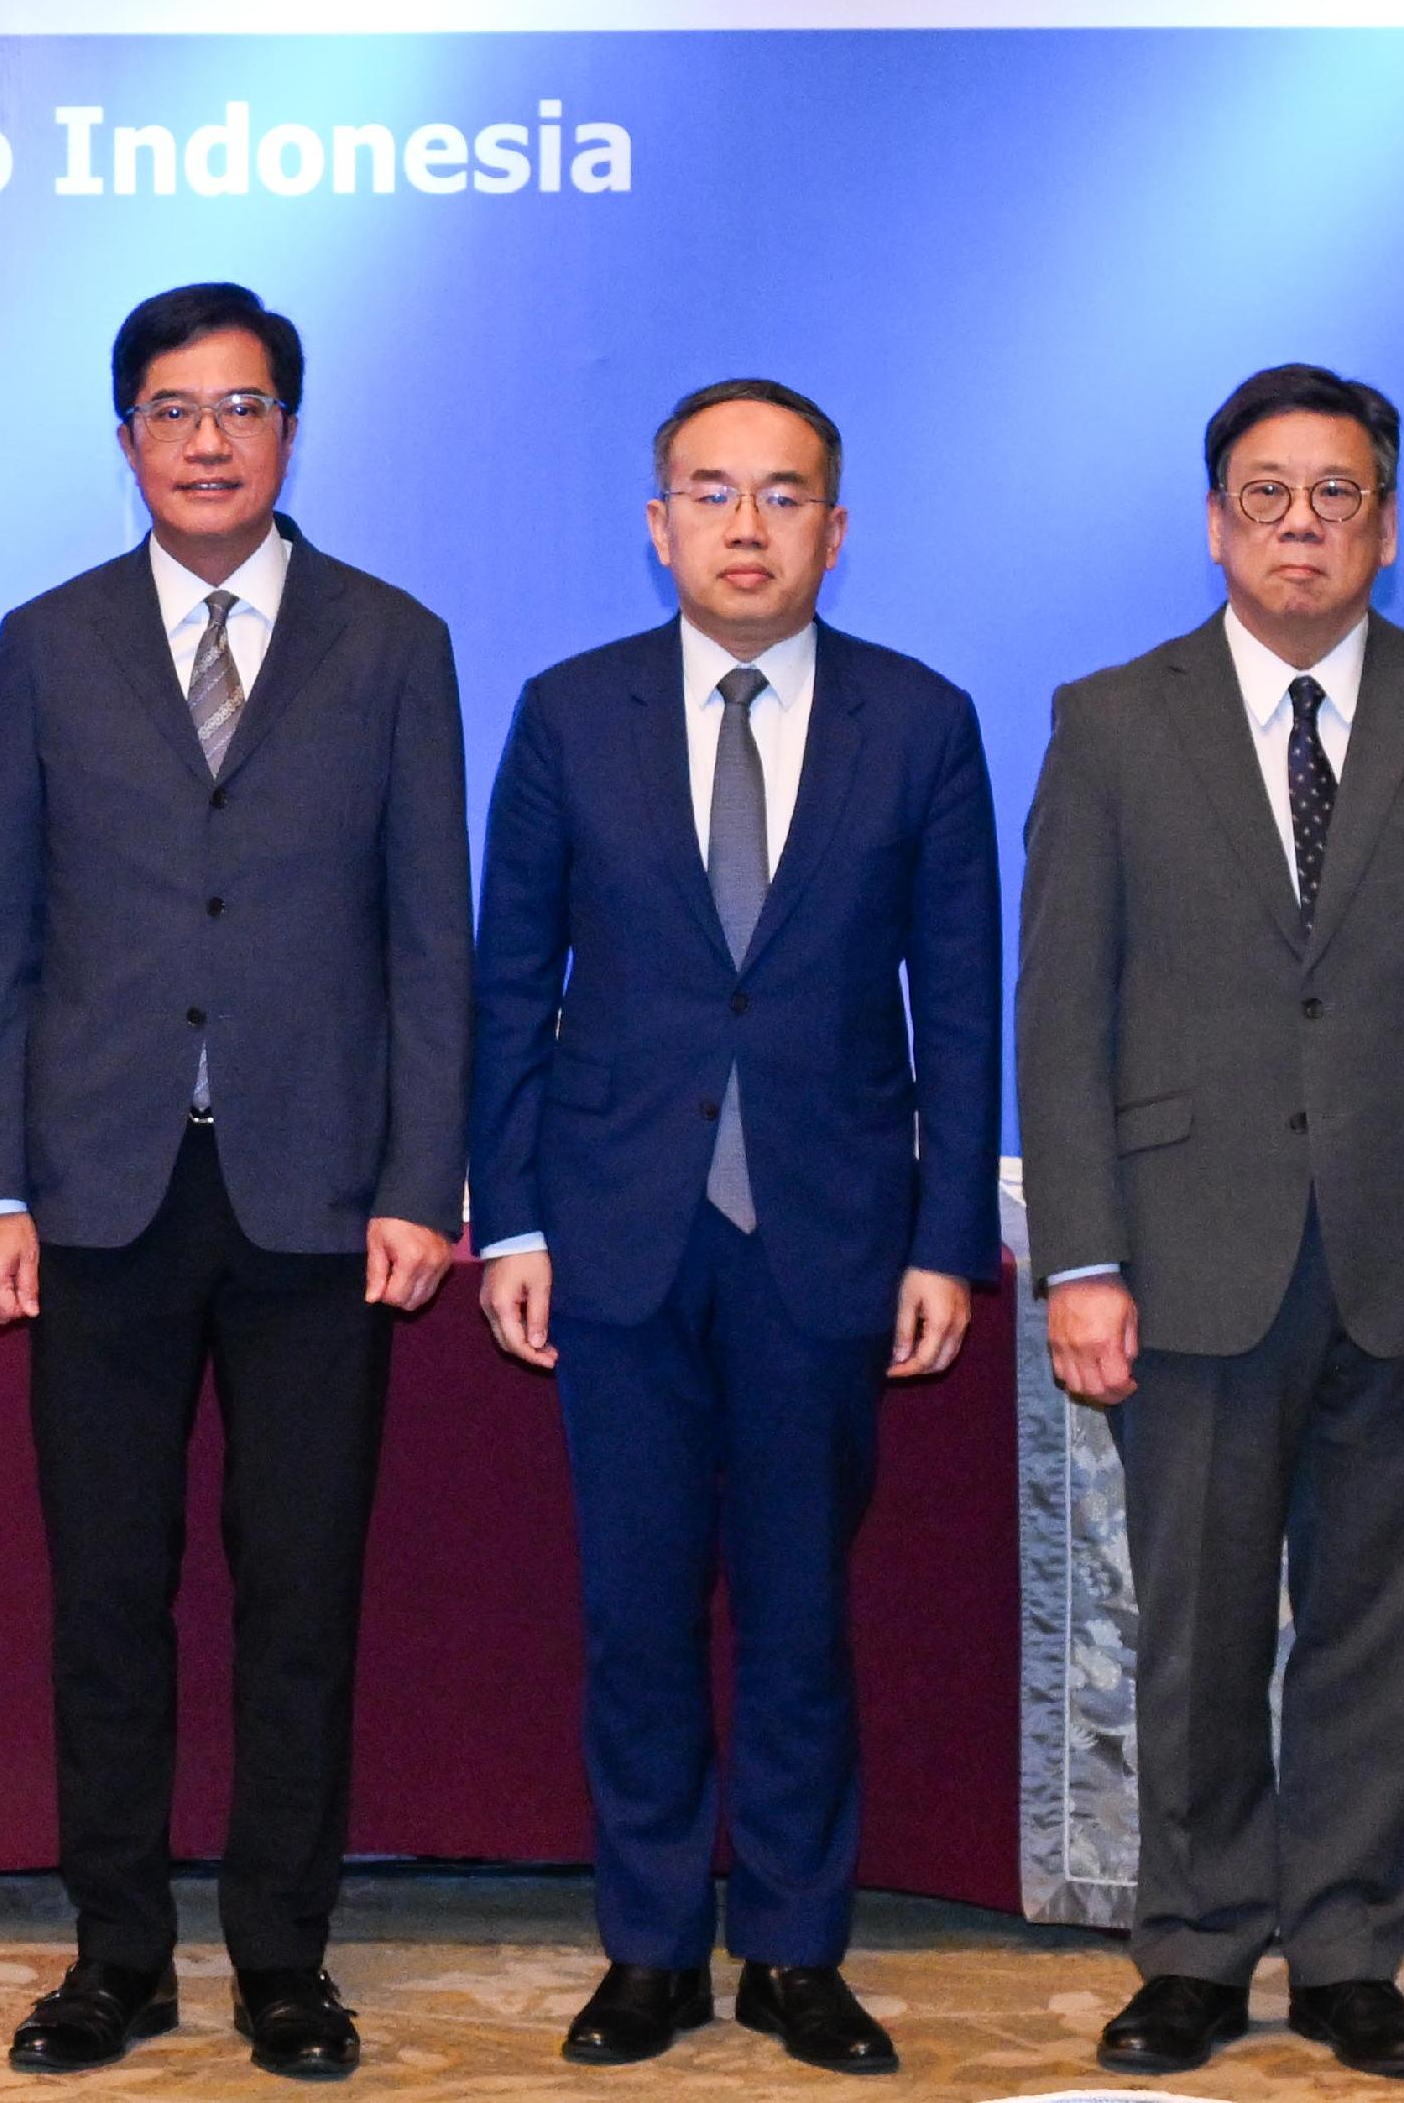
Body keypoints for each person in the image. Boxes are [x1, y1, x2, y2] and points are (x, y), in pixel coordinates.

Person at [0, 283, 468, 2081]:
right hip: (95, 1194)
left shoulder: (393, 642)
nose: (208, 441)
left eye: (242, 408)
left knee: (299, 1590)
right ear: (125, 440)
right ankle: (118, 1953)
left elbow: (431, 941)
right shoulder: (48, 640)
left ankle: (283, 1961)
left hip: (323, 1198)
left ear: (290, 431)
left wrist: (424, 1176)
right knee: (107, 1592)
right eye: (172, 411)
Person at [1020, 363, 1404, 2082]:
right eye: (1267, 492)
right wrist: (1083, 1257)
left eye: (1336, 494)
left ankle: (1345, 1957)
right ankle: (1188, 1952)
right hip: (1187, 1254)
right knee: (1193, 1624)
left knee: (1380, 1629)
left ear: (1386, 526)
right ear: (1213, 520)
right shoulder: (1112, 718)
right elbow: (1062, 1009)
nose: (1300, 524)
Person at [468, 379, 1001, 2074]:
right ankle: (648, 1949)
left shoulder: (921, 721)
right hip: (621, 1229)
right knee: (633, 1610)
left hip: (830, 1236)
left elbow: (964, 1010)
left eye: (784, 497)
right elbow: (508, 985)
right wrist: (511, 1218)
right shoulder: (570, 713)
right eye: (712, 492)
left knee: (796, 1608)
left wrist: (944, 1238)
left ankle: (790, 1945)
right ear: (657, 521)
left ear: (836, 529)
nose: (747, 526)